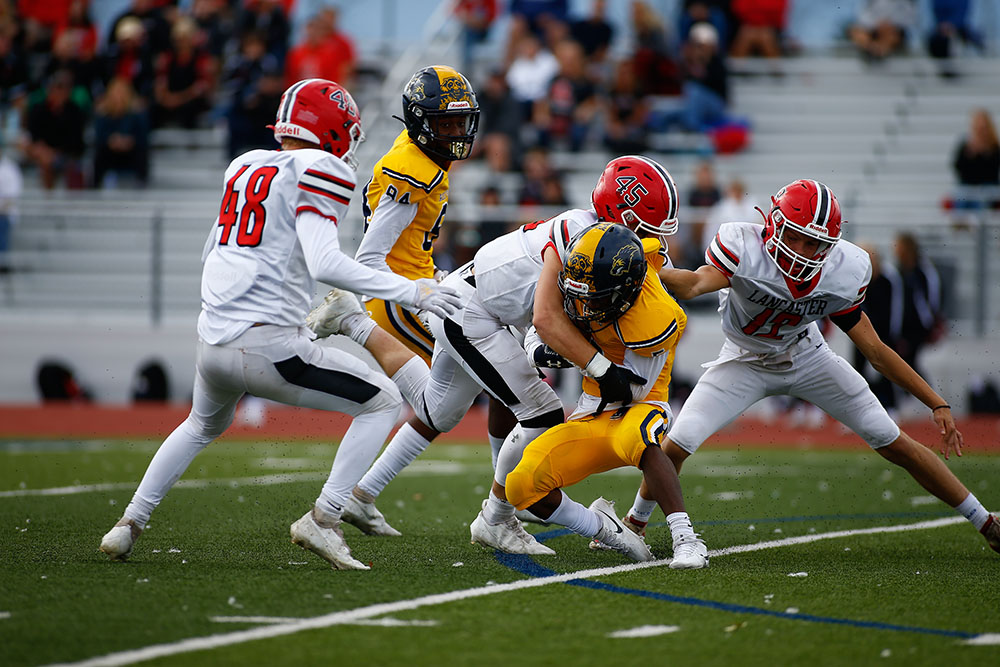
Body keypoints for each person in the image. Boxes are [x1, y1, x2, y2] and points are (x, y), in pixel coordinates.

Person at [99, 78, 463, 571]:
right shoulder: (322, 167)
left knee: (200, 425)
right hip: (269, 346)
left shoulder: (246, 164)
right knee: (382, 401)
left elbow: (213, 251)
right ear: (332, 129)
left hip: (213, 339)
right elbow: (325, 263)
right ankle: (326, 518)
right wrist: (413, 290)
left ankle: (127, 525)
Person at [308, 155, 679, 554]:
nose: (653, 238)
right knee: (543, 413)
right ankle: (498, 517)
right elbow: (546, 317)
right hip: (473, 313)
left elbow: (553, 316)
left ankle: (362, 491)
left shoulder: (598, 237)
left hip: (479, 307)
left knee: (438, 410)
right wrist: (601, 367)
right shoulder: (580, 235)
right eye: (647, 227)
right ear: (620, 212)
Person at [617, 179, 999, 556]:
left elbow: (877, 352)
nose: (802, 250)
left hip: (808, 356)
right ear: (774, 225)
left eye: (814, 242)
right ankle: (634, 524)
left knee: (892, 441)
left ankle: (986, 521)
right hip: (743, 360)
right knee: (677, 445)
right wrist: (652, 270)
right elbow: (694, 285)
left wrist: (937, 402)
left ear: (830, 244)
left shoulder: (844, 270)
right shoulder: (743, 246)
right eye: (795, 236)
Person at [504, 222, 708, 568]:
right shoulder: (580, 281)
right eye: (578, 293)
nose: (584, 304)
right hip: (589, 413)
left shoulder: (654, 314)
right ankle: (608, 529)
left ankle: (686, 539)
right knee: (520, 485)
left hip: (639, 406)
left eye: (595, 296)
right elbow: (538, 329)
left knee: (640, 440)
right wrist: (543, 350)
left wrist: (573, 354)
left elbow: (629, 389)